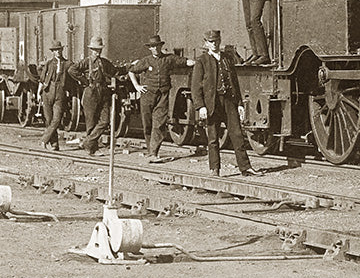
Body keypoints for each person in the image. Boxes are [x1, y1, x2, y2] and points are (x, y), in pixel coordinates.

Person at [190, 29, 263, 177]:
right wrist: (200, 106)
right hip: (212, 103)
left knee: (237, 135)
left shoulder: (227, 58)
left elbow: (235, 82)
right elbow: (196, 86)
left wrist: (240, 103)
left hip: (229, 101)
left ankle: (245, 168)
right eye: (211, 42)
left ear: (220, 41)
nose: (214, 44)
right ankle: (214, 169)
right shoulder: (201, 61)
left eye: (216, 41)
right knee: (213, 138)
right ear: (206, 43)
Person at [128, 34, 192, 162]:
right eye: (152, 47)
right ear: (150, 48)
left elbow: (185, 62)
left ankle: (153, 152)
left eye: (157, 46)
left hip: (162, 96)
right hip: (147, 95)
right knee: (147, 124)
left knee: (159, 124)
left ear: (161, 46)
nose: (155, 48)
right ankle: (150, 150)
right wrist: (137, 86)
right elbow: (131, 70)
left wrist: (200, 62)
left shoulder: (169, 59)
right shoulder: (145, 61)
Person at [68, 36, 119, 156]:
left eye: (99, 49)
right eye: (95, 49)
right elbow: (72, 70)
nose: (97, 52)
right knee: (90, 123)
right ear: (91, 50)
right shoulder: (86, 62)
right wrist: (84, 81)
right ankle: (92, 149)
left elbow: (115, 71)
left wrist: (131, 67)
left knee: (105, 121)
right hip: (90, 93)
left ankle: (88, 142)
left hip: (103, 92)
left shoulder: (104, 62)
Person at [37, 41, 69, 150]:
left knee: (56, 119)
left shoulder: (67, 63)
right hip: (47, 92)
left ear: (62, 50)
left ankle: (44, 140)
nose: (58, 52)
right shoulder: (49, 64)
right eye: (55, 50)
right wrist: (38, 93)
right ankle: (55, 144)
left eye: (59, 49)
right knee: (49, 120)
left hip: (60, 92)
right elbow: (42, 80)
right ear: (53, 52)